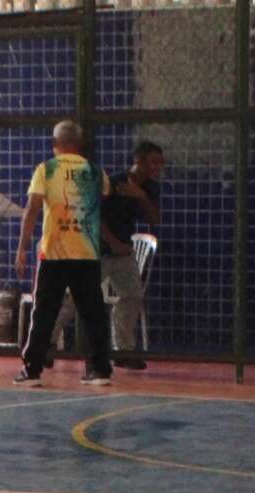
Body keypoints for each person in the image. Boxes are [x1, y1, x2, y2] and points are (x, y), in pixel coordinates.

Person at [13, 119, 112, 389]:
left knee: (44, 312)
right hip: (87, 252)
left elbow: (32, 209)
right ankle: (100, 369)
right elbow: (100, 201)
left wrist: (22, 248)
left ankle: (32, 370)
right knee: (92, 313)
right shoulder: (96, 172)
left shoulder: (46, 169)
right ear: (81, 144)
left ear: (55, 144)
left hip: (55, 254)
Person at [100, 137, 161, 371]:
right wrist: (113, 242)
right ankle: (47, 343)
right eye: (153, 162)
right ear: (138, 160)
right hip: (100, 249)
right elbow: (94, 217)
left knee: (132, 296)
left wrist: (140, 196)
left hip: (124, 251)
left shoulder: (150, 188)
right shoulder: (114, 183)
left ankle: (123, 349)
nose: (157, 168)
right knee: (76, 298)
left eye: (160, 163)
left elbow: (155, 219)